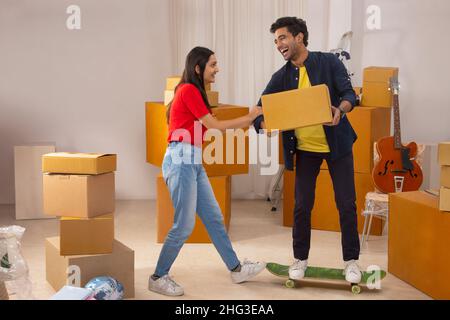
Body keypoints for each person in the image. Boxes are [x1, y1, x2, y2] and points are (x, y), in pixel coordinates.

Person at [148, 46, 266, 296]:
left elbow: (214, 129)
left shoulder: (195, 92)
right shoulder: (189, 89)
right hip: (180, 161)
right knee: (183, 225)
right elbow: (215, 126)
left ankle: (236, 269)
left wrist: (253, 122)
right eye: (213, 65)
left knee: (214, 219)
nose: (217, 69)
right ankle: (158, 276)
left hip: (192, 162)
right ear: (198, 68)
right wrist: (249, 115)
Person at [254, 17, 362, 283]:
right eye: (276, 40)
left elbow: (350, 95)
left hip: (337, 146)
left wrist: (340, 109)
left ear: (299, 37)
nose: (278, 44)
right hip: (304, 150)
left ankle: (351, 262)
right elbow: (259, 110)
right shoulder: (281, 77)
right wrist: (266, 124)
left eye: (282, 38)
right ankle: (300, 258)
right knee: (302, 206)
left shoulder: (329, 62)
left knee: (346, 204)